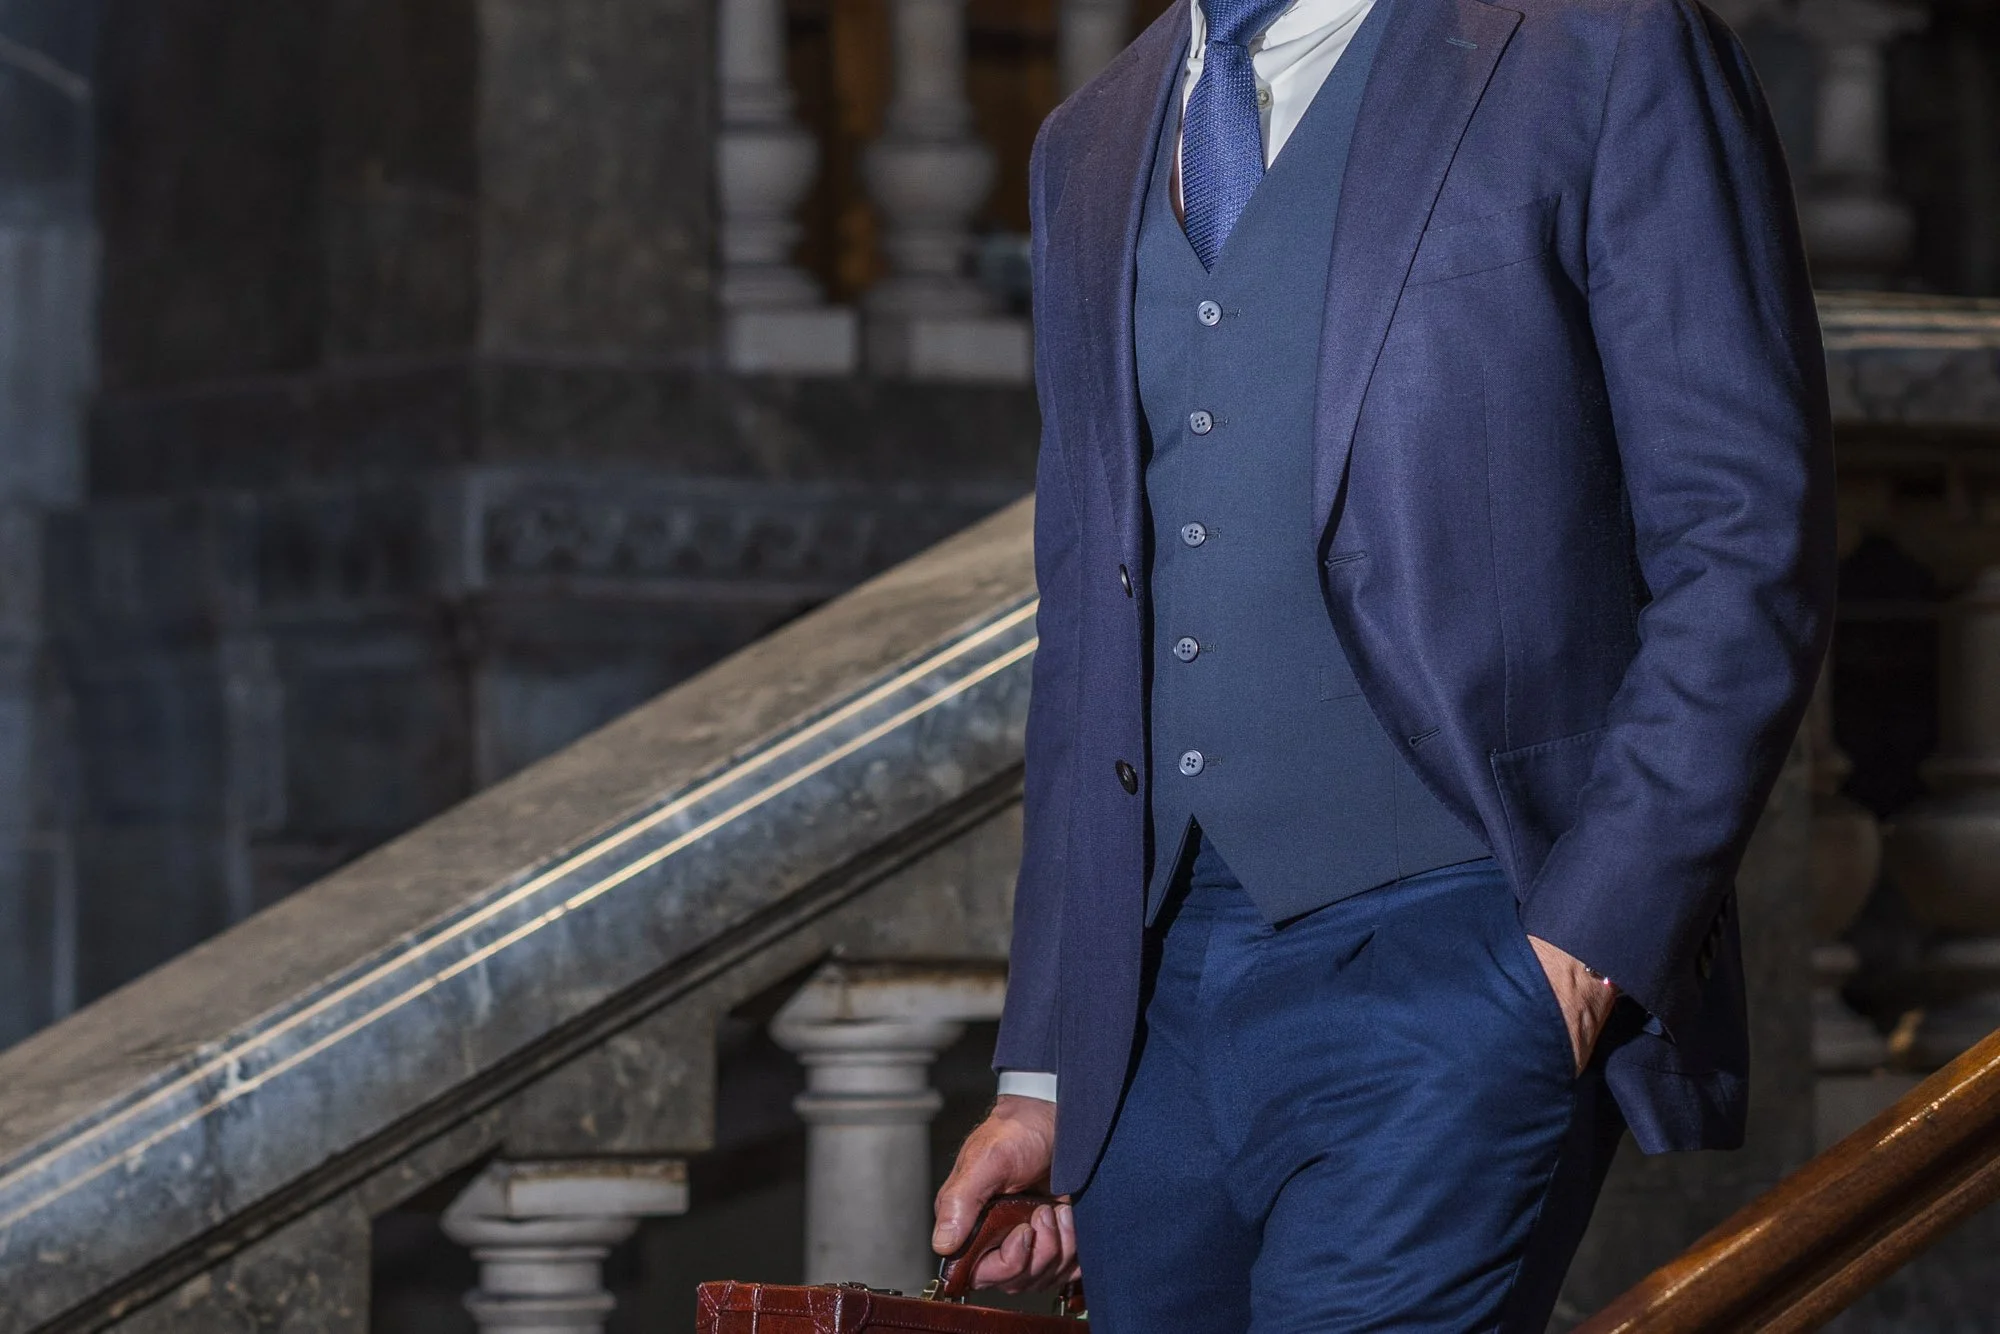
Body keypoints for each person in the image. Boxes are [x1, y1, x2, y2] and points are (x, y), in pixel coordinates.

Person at [929, 0, 1837, 1325]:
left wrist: (1583, 943)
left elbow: (1745, 528)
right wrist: (1050, 1071)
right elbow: (1088, 631)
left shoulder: (1602, 41)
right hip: (1152, 1033)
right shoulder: (1090, 137)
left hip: (1456, 958)